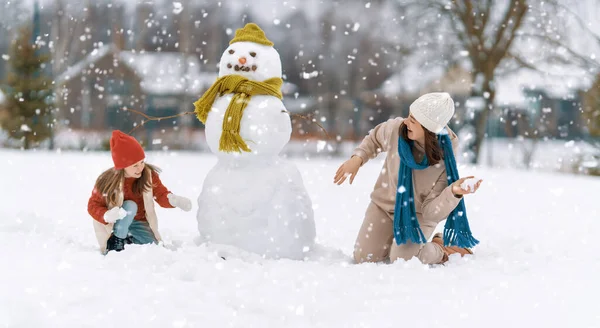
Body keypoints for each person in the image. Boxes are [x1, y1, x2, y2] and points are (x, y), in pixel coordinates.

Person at [334, 92, 481, 264]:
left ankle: (440, 248)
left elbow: (431, 212)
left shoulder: (444, 159)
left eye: (413, 120)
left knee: (404, 259)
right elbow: (375, 138)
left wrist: (453, 192)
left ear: (428, 129)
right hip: (384, 206)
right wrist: (357, 159)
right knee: (364, 257)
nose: (406, 122)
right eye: (409, 115)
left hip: (417, 217)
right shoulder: (396, 130)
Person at [87, 130, 192, 254]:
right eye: (135, 165)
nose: (141, 168)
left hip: (140, 223)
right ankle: (117, 240)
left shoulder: (148, 175)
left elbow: (160, 194)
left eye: (142, 162)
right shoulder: (106, 180)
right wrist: (106, 215)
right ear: (122, 166)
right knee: (130, 205)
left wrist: (173, 200)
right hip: (115, 224)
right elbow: (92, 205)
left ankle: (129, 240)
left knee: (153, 248)